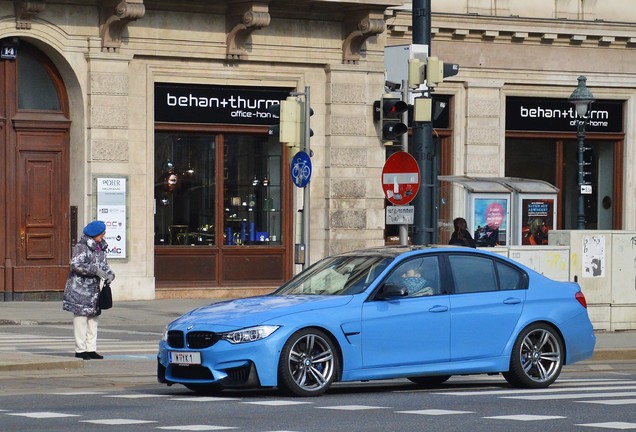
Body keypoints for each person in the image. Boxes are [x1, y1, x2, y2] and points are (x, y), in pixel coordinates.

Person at [62, 220, 115, 360]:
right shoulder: (81, 246)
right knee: (80, 319)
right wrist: (95, 270)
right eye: (101, 234)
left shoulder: (100, 247)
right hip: (80, 289)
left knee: (93, 320)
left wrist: (110, 274)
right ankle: (80, 349)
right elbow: (76, 265)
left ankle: (91, 348)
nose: (103, 236)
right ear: (94, 234)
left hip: (94, 291)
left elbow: (104, 265)